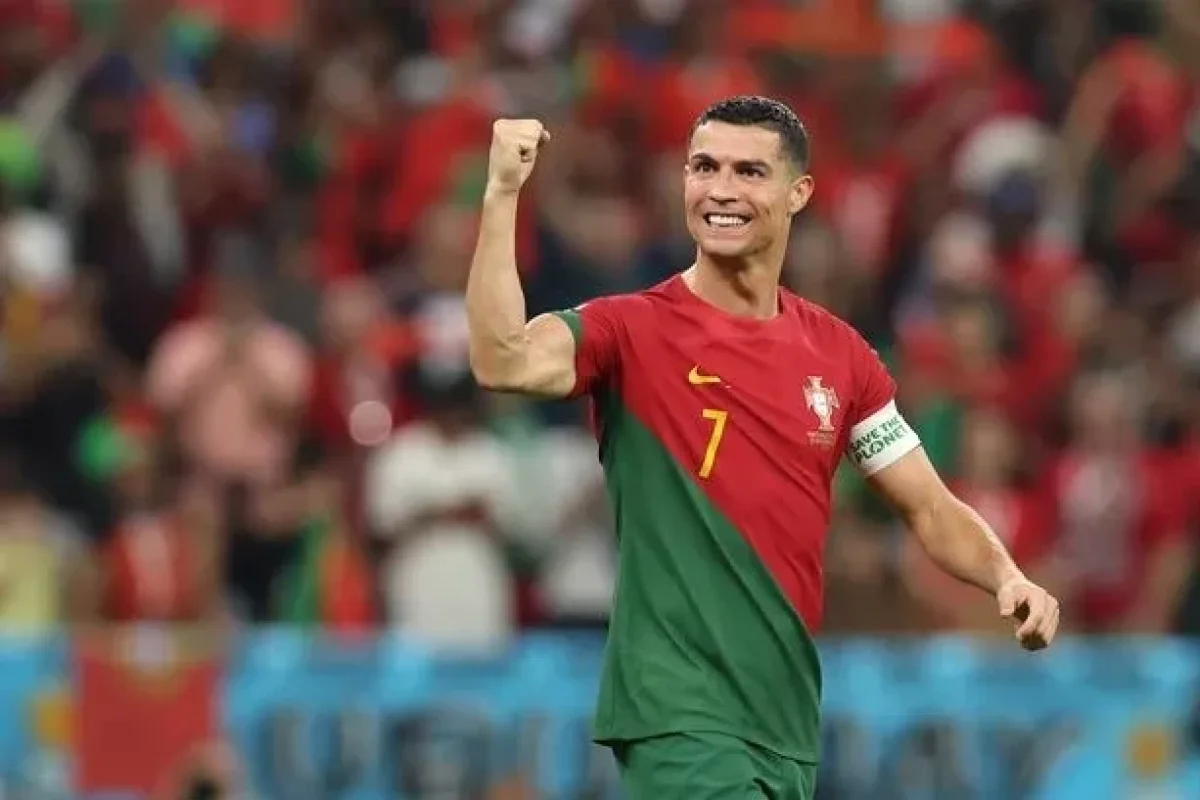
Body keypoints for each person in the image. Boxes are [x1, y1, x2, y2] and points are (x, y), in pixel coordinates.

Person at [465, 96, 1061, 800]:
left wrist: (1006, 576)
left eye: (749, 172)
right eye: (704, 167)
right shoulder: (631, 332)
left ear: (797, 192)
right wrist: (502, 193)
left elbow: (929, 506)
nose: (720, 190)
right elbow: (503, 358)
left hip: (785, 720)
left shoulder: (840, 356)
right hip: (679, 710)